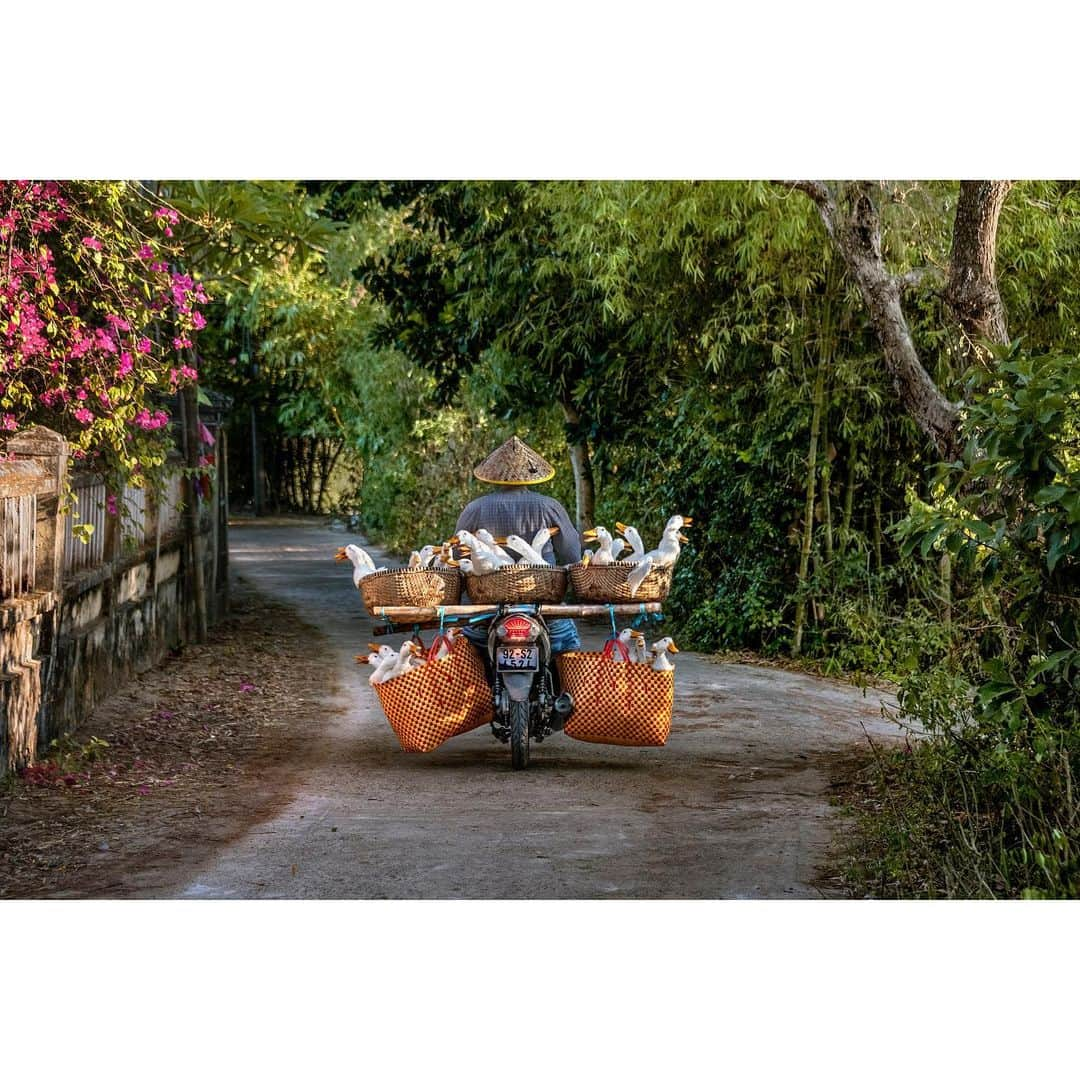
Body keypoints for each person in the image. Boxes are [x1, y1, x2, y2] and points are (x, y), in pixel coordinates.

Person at [455, 435, 583, 656]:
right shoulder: (549, 506)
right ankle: (567, 690)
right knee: (568, 645)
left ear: (494, 477)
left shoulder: (474, 508)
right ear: (531, 476)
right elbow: (571, 553)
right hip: (542, 600)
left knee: (468, 650)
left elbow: (457, 555)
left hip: (487, 606)